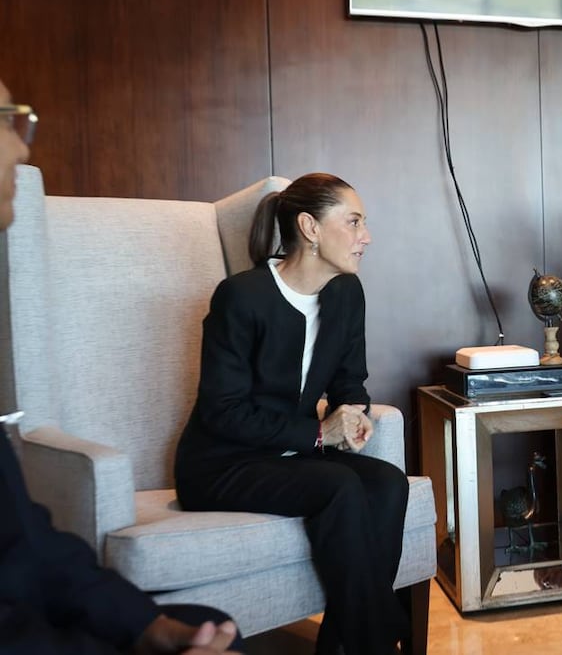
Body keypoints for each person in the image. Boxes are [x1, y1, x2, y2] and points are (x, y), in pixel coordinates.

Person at [0, 79, 243, 653]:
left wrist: (148, 628)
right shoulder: (242, 300)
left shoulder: (344, 301)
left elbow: (27, 542)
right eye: (7, 117)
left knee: (207, 623)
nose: (23, 145)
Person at [173, 173, 409, 655]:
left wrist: (354, 414)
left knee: (388, 482)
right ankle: (380, 641)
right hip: (221, 464)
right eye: (354, 221)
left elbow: (349, 380)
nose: (366, 236)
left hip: (287, 453)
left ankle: (342, 645)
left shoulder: (346, 293)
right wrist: (322, 434)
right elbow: (223, 411)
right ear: (310, 227)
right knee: (339, 485)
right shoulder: (241, 296)